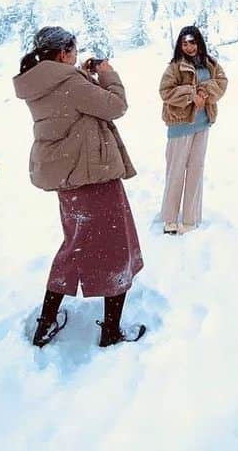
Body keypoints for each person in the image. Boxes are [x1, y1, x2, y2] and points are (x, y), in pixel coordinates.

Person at [13, 26, 146, 348]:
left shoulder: (40, 81)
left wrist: (82, 77)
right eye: (73, 51)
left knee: (75, 247)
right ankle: (111, 331)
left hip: (69, 179)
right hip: (93, 177)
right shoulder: (69, 82)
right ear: (62, 54)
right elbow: (115, 106)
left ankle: (46, 323)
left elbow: (71, 103)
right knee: (116, 248)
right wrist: (107, 74)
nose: (76, 55)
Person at [158, 25, 228, 234]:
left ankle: (190, 218)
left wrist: (204, 94)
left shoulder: (210, 63)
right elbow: (165, 91)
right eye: (184, 43)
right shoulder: (175, 67)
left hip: (203, 123)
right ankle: (170, 218)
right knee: (176, 171)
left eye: (192, 42)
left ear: (199, 42)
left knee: (196, 169)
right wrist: (190, 95)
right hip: (180, 125)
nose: (189, 47)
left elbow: (222, 83)